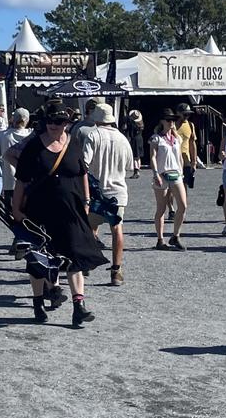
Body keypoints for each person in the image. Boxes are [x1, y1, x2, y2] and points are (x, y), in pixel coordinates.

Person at [12, 103, 108, 326]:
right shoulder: (34, 147)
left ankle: (79, 306)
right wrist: (16, 209)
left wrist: (86, 200)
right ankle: (38, 303)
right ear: (45, 122)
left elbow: (82, 172)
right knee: (39, 260)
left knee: (75, 256)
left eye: (61, 122)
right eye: (52, 121)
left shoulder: (73, 143)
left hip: (71, 210)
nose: (56, 126)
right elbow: (21, 181)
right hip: (39, 212)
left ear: (67, 123)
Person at [81, 103, 133, 286]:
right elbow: (129, 166)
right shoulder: (123, 139)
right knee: (117, 229)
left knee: (87, 228)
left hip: (96, 191)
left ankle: (86, 261)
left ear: (96, 118)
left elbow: (84, 165)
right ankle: (116, 270)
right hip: (118, 191)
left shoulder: (93, 136)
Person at [149, 109, 187, 251]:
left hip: (176, 174)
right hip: (162, 174)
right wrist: (156, 173)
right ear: (162, 121)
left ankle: (176, 235)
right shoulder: (156, 138)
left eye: (173, 120)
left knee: (183, 205)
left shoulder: (177, 138)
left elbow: (179, 157)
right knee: (161, 208)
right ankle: (160, 239)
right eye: (168, 119)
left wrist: (181, 172)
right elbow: (152, 157)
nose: (171, 122)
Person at [0, 108, 33, 209]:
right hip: (29, 182)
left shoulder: (3, 136)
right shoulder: (32, 135)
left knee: (9, 216)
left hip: (9, 182)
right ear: (27, 120)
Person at [174, 103, 198, 190]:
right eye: (184, 114)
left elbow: (192, 144)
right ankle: (170, 204)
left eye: (188, 114)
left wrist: (194, 162)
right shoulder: (172, 125)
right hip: (173, 161)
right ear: (178, 113)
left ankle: (183, 203)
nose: (186, 116)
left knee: (184, 186)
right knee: (172, 187)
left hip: (186, 160)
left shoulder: (190, 125)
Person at [124, 109, 144, 178]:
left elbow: (130, 133)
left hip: (135, 140)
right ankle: (138, 168)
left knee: (135, 156)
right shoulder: (141, 124)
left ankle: (136, 171)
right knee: (138, 156)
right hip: (140, 139)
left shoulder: (133, 125)